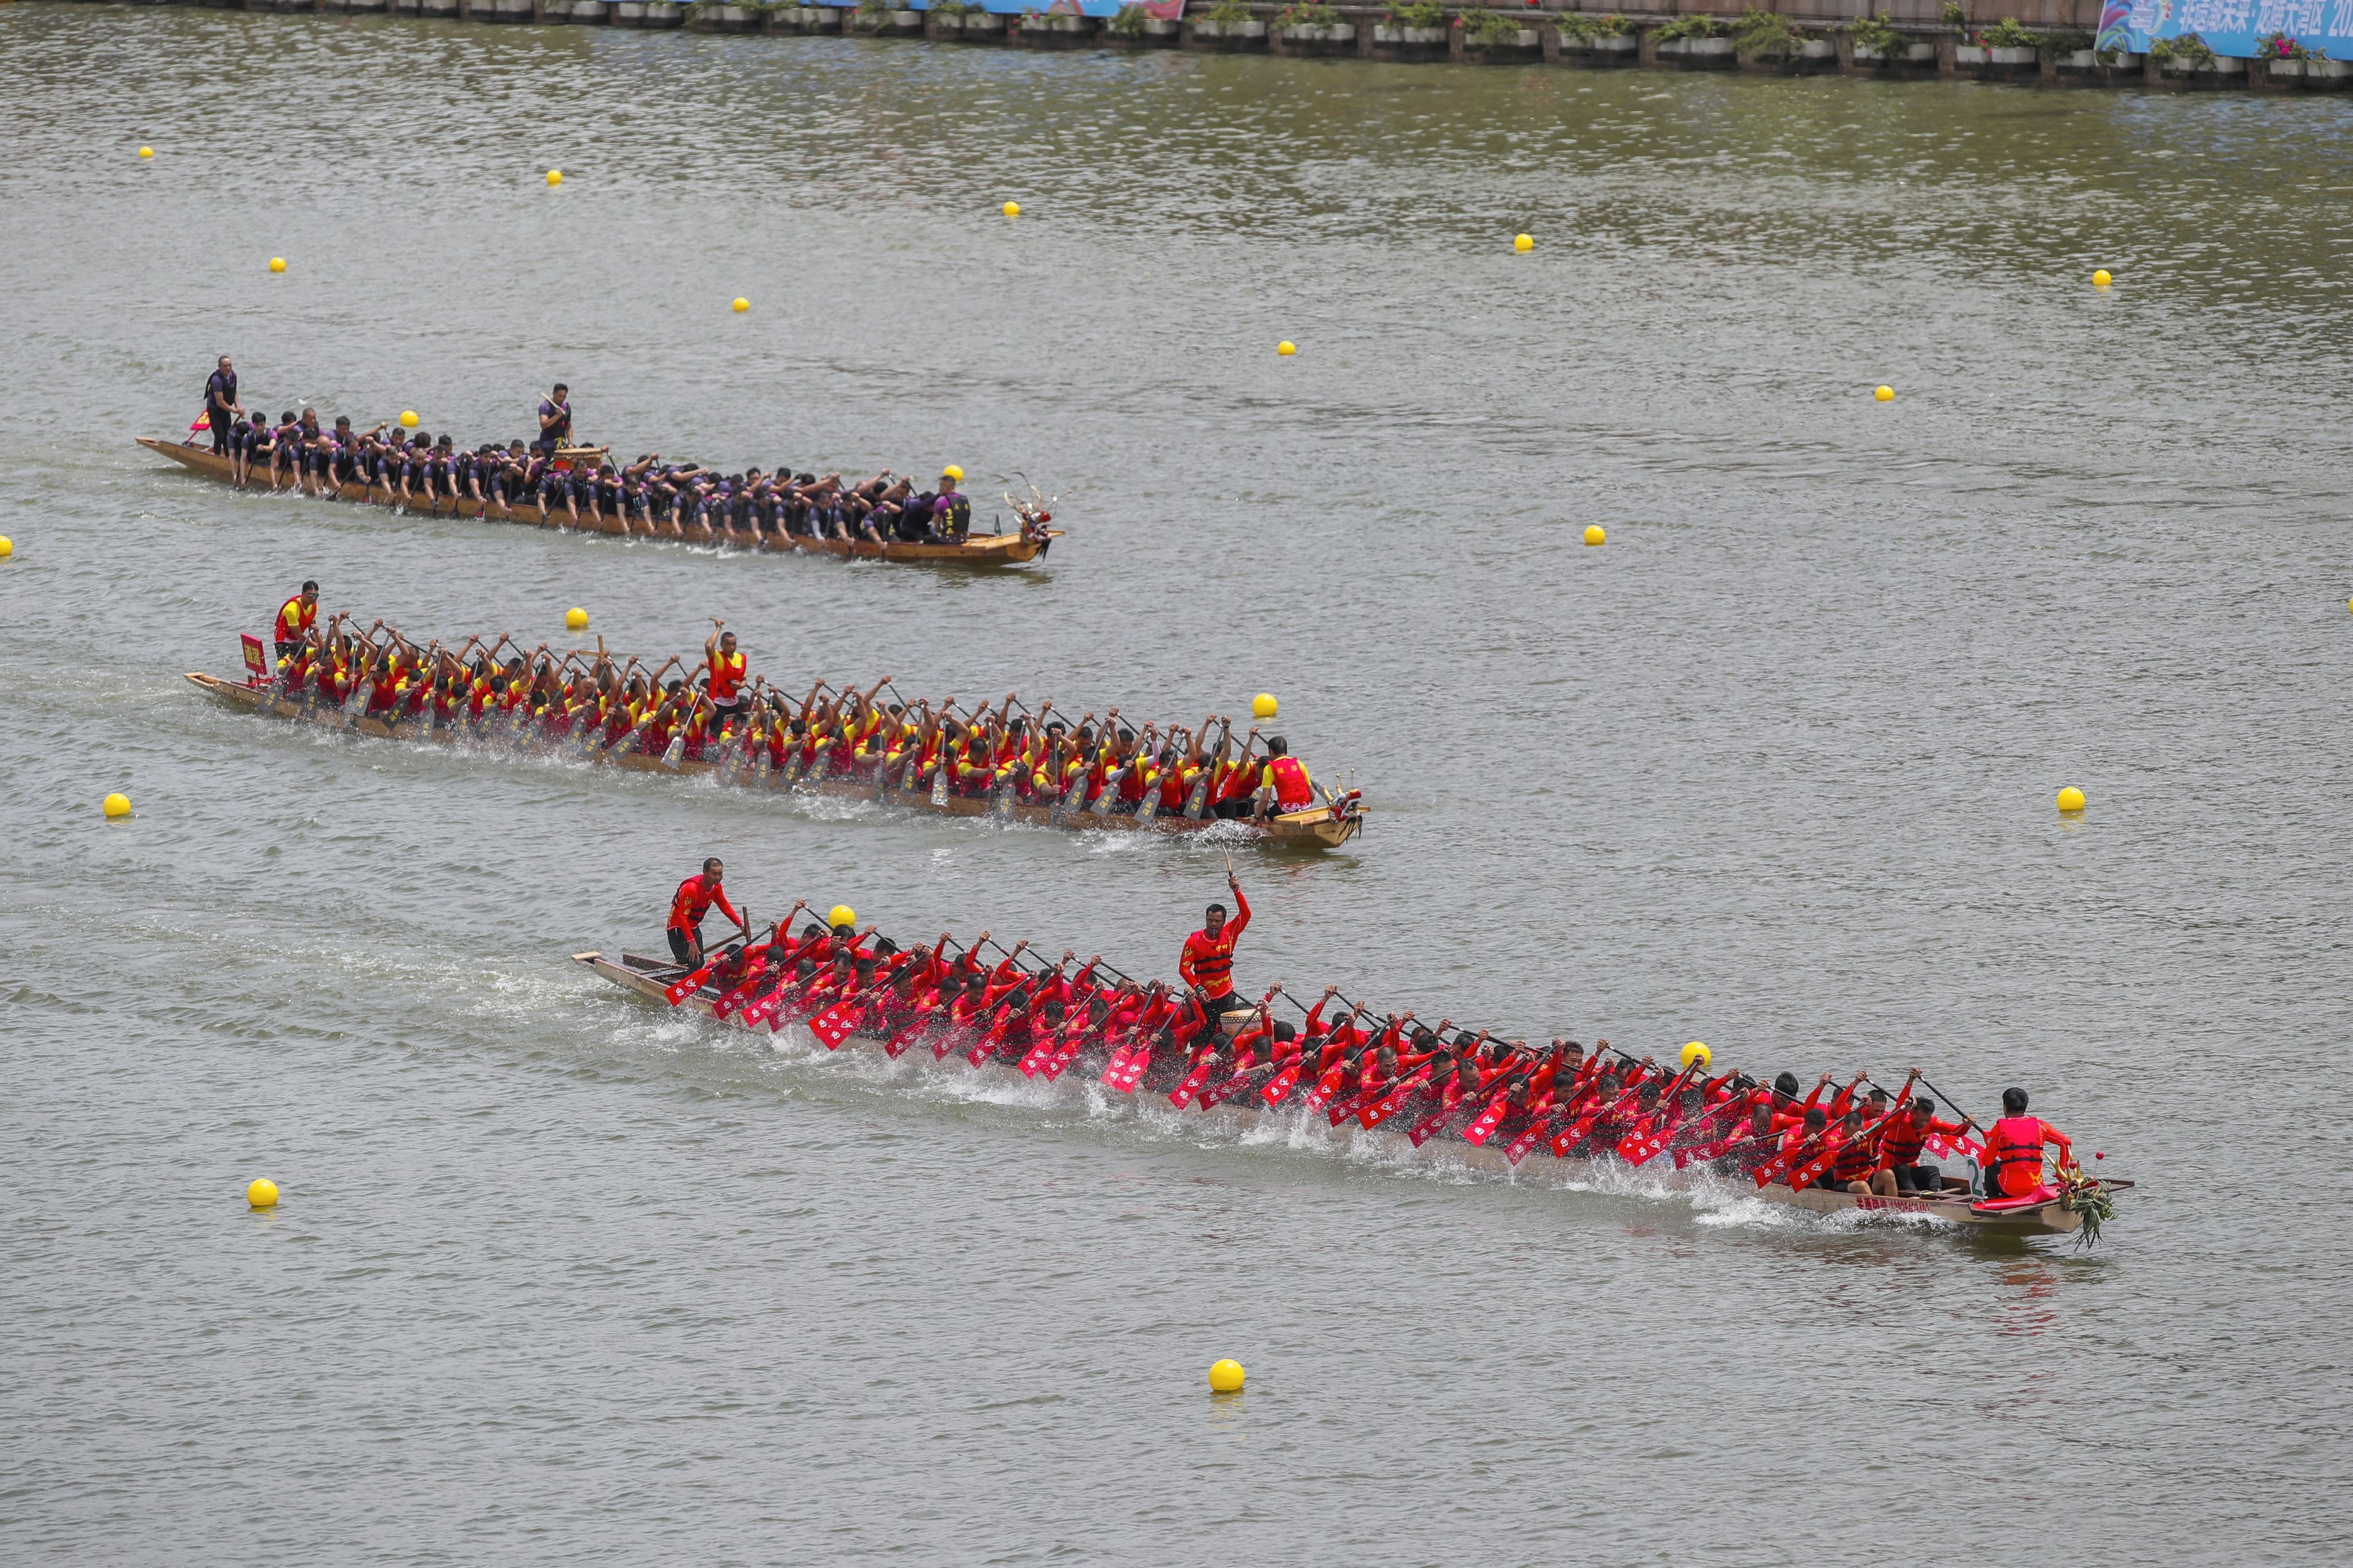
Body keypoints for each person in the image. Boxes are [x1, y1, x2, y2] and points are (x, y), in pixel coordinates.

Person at [1178, 871, 1249, 1025]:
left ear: (1224, 921)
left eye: (1217, 921)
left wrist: (1237, 891)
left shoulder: (1231, 932)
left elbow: (1246, 914)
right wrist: (1198, 989)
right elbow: (1184, 969)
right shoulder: (1193, 941)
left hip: (1227, 994)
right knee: (1204, 1034)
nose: (1213, 925)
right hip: (1204, 997)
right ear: (1206, 919)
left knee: (1228, 1034)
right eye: (1210, 920)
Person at [1980, 1087, 2072, 1199]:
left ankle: (1992, 1199)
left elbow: (1987, 1161)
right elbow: (2066, 1142)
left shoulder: (1999, 1129)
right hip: (2037, 1188)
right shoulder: (2041, 1126)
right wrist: (2061, 1172)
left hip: (2009, 1190)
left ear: (2005, 1108)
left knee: (1991, 1167)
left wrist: (1992, 1144)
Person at [667, 857, 744, 968]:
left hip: (693, 926)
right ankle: (687, 983)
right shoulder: (691, 889)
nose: (718, 878)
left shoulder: (716, 887)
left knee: (700, 962)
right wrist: (692, 942)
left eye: (720, 874)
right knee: (692, 962)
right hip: (678, 926)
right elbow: (681, 917)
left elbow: (725, 906)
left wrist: (740, 924)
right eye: (714, 874)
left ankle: (692, 981)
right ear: (705, 872)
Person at [1253, 735, 1315, 820]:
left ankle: (1264, 830)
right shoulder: (1299, 764)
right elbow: (1312, 796)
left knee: (1257, 805)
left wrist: (1256, 817)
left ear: (1271, 752)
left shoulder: (1270, 768)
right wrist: (1304, 809)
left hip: (1285, 810)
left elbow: (1265, 798)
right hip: (1305, 807)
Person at [705, 619, 747, 738]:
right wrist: (718, 628)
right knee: (718, 735)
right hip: (717, 703)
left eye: (734, 644)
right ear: (722, 645)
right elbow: (708, 646)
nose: (732, 647)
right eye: (728, 644)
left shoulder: (740, 658)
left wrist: (740, 685)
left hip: (733, 703)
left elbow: (744, 680)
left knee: (735, 731)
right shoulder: (717, 657)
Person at [274, 581, 319, 666]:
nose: (314, 598)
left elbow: (312, 631)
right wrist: (316, 645)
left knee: (300, 665)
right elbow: (298, 635)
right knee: (289, 666)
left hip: (297, 640)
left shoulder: (314, 607)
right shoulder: (292, 609)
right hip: (283, 639)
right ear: (303, 593)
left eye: (316, 595)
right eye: (311, 595)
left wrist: (320, 644)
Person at [205, 357, 241, 457]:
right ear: (219, 367)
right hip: (215, 410)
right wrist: (234, 410)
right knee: (220, 436)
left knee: (227, 435)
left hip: (226, 409)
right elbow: (220, 402)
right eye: (225, 366)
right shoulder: (216, 380)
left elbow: (233, 392)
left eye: (230, 365)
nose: (228, 368)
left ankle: (228, 457)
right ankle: (217, 457)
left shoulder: (233, 376)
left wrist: (238, 407)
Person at [537, 383, 573, 455]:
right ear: (553, 393)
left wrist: (570, 442)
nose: (562, 399)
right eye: (559, 396)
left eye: (564, 396)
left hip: (561, 443)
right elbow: (544, 425)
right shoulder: (545, 407)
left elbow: (569, 427)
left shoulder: (566, 407)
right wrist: (557, 416)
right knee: (554, 465)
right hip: (548, 444)